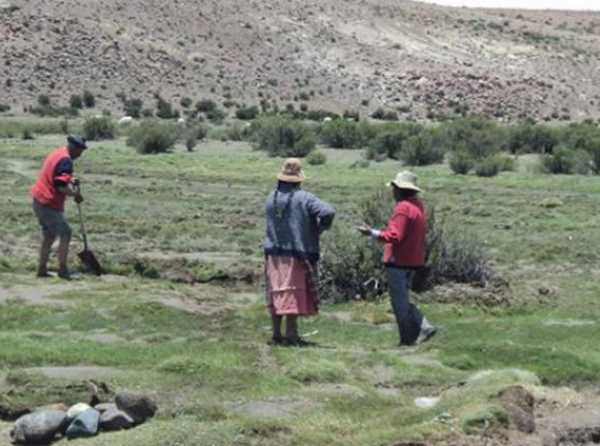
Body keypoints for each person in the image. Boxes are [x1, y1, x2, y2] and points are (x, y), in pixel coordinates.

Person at [358, 170, 436, 346]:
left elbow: (395, 236)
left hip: (398, 261)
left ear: (399, 189)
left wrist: (371, 232)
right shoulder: (417, 205)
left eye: (394, 188)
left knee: (399, 303)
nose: (392, 192)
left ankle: (421, 329)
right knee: (403, 299)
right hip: (413, 260)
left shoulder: (402, 208)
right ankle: (409, 338)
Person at [263, 158, 335, 346]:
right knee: (292, 293)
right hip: (297, 253)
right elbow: (328, 212)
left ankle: (277, 334)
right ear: (299, 179)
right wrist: (320, 229)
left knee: (276, 292)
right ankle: (292, 335)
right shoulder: (304, 198)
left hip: (273, 253)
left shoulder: (271, 197)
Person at [31, 135, 87, 279]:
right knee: (66, 233)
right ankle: (63, 270)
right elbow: (60, 186)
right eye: (80, 152)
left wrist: (70, 178)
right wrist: (75, 194)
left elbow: (58, 175)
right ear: (74, 148)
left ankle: (42, 270)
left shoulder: (58, 152)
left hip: (38, 199)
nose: (80, 155)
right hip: (48, 202)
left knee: (49, 235)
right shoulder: (66, 160)